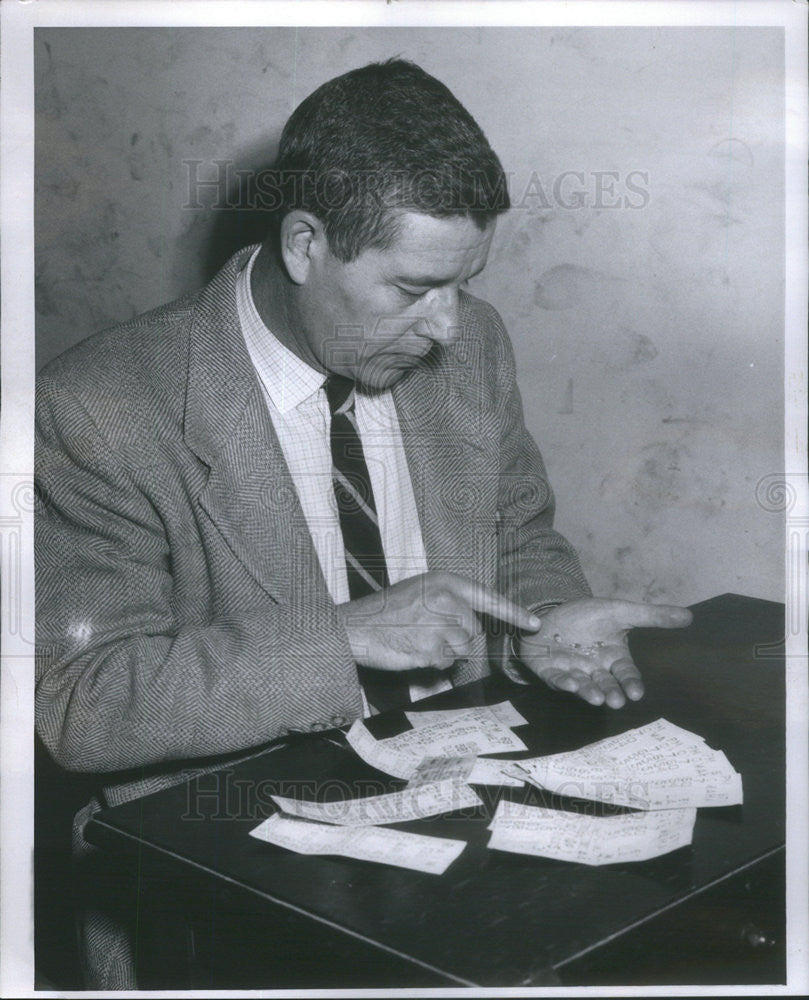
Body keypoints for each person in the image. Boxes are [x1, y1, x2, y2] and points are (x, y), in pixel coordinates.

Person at [35, 59, 691, 988]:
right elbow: (82, 705)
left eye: (462, 284)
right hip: (228, 873)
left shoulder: (469, 348)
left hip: (464, 833)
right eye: (412, 287)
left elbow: (516, 529)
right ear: (305, 243)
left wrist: (548, 616)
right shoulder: (99, 409)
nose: (449, 327)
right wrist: (342, 638)